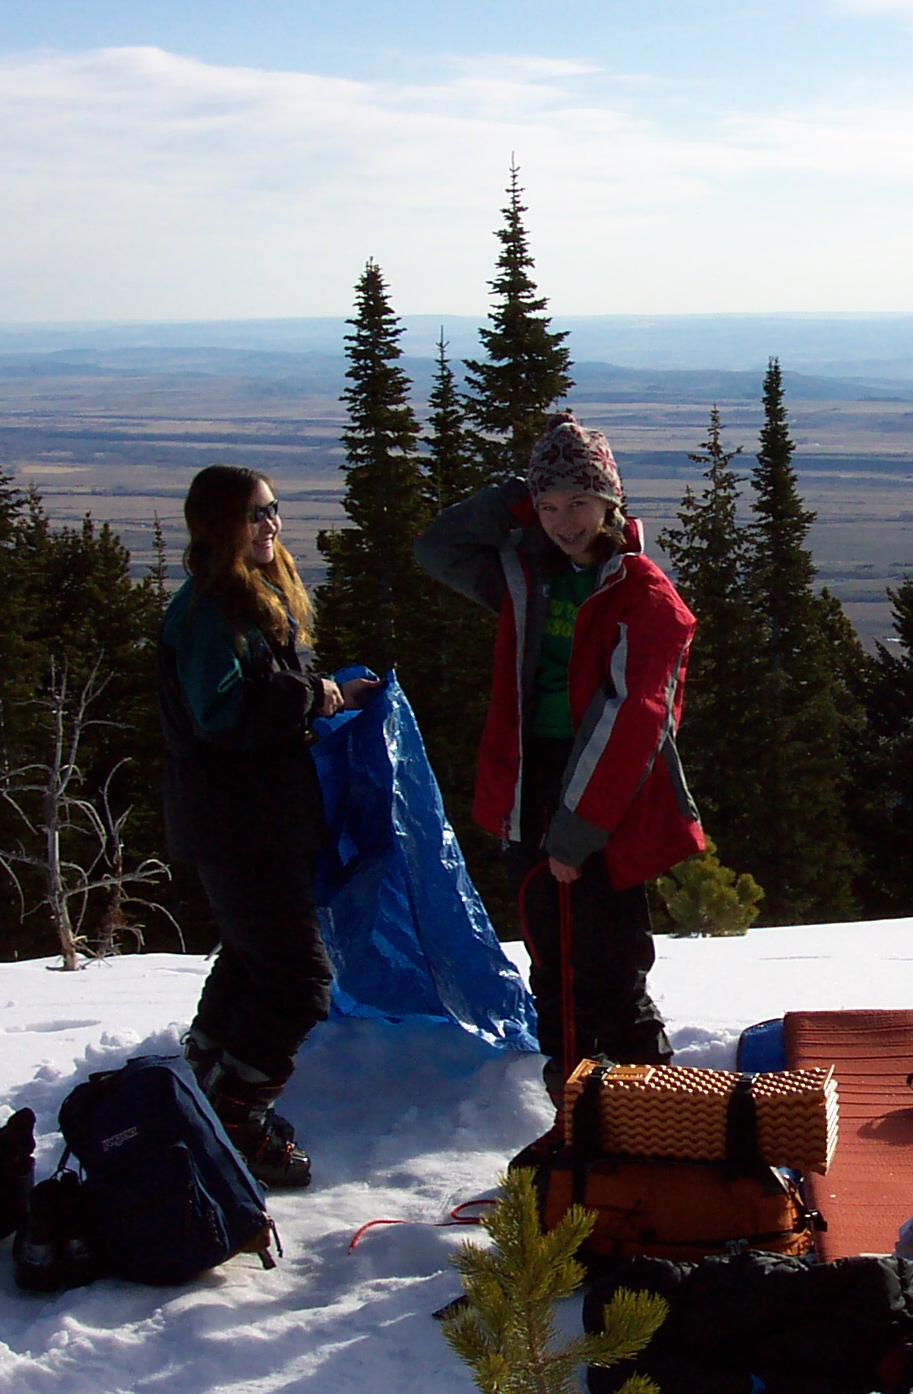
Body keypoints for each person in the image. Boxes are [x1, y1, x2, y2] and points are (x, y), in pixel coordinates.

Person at [414, 412, 704, 1084]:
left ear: (610, 502)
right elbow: (437, 548)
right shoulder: (528, 577)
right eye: (548, 506)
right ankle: (573, 1089)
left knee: (611, 942)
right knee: (548, 941)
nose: (564, 520)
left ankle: (643, 1083)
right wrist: (519, 494)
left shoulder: (646, 596)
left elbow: (631, 719)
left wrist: (575, 833)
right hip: (528, 775)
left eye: (579, 502)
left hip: (606, 786)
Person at [158, 464, 378, 1188]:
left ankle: (205, 1079)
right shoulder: (207, 614)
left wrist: (327, 700)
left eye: (274, 510)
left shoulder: (249, 603)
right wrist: (314, 695)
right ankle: (237, 1113)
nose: (271, 524)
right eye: (256, 514)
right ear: (221, 526)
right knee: (297, 981)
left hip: (256, 821)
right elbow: (221, 713)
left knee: (251, 956)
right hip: (236, 823)